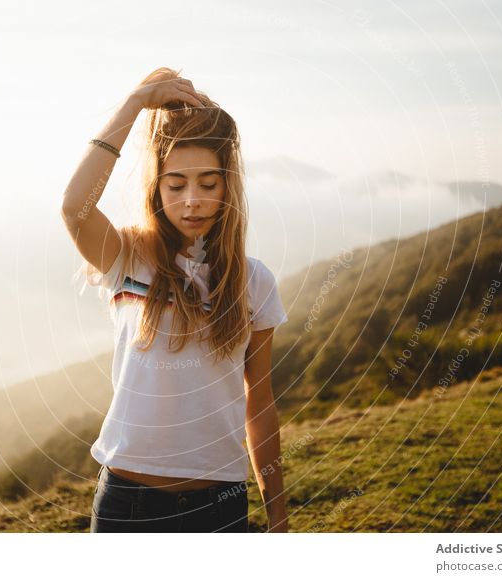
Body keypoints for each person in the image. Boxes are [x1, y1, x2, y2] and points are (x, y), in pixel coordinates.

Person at [62, 67, 289, 533]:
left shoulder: (255, 282)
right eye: (176, 185)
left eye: (208, 184)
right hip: (128, 502)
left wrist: (278, 517)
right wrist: (133, 104)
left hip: (221, 504)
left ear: (229, 186)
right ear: (156, 187)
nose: (193, 201)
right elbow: (73, 205)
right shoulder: (125, 257)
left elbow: (259, 405)